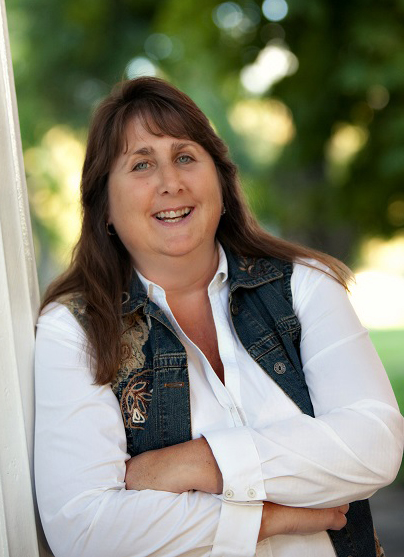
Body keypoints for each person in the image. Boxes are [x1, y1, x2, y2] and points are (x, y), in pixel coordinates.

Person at [34, 77, 403, 557]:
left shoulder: (305, 287)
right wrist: (265, 518)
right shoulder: (75, 331)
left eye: (185, 156)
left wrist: (193, 464)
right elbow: (84, 531)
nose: (171, 182)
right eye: (141, 164)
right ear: (103, 206)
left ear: (222, 183)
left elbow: (374, 445)